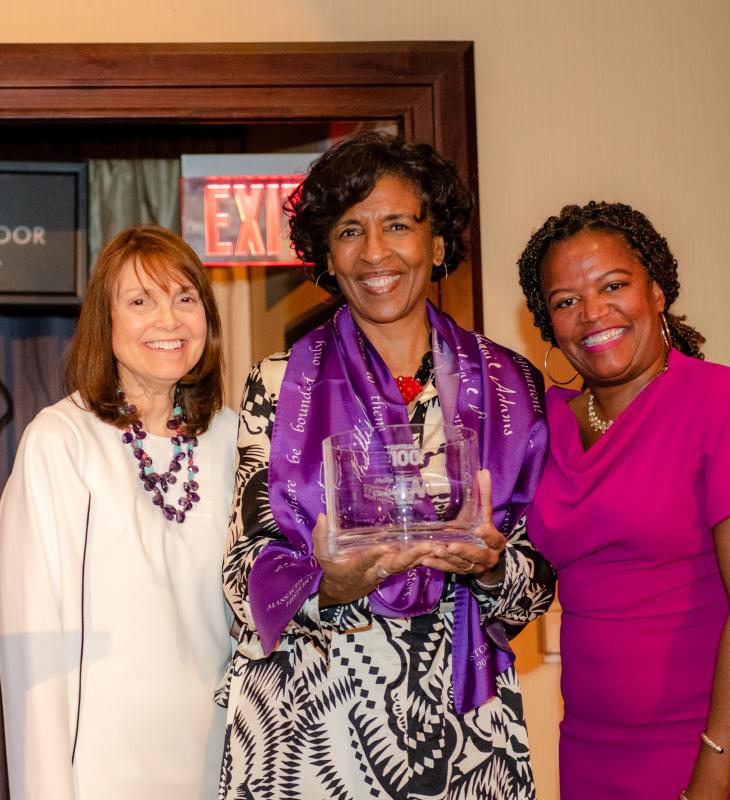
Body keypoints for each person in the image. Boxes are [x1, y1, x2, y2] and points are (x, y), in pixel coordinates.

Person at [219, 131, 555, 800]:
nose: (375, 252)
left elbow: (539, 580)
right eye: (350, 230)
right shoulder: (278, 383)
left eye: (397, 224)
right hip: (309, 725)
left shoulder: (510, 384)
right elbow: (240, 576)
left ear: (436, 242)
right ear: (326, 253)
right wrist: (328, 584)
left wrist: (492, 566)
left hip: (464, 729)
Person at [518, 201, 730, 800]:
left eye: (613, 285)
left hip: (717, 746)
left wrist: (715, 774)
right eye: (566, 300)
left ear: (656, 291)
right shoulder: (551, 424)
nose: (593, 312)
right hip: (592, 748)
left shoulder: (724, 402)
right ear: (549, 323)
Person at [0, 225, 237, 799]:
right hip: (100, 774)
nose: (169, 320)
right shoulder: (61, 441)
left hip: (225, 764)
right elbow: (31, 640)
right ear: (106, 325)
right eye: (140, 301)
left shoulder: (235, 436)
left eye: (186, 298)